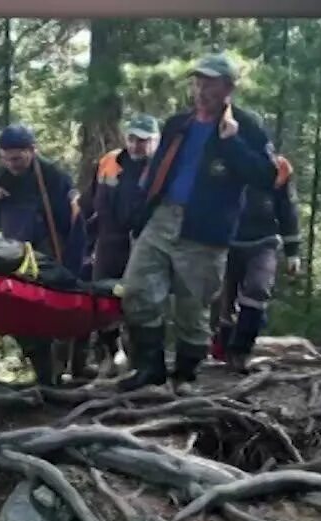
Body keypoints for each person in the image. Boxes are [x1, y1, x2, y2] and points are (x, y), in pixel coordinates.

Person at [116, 52, 279, 393]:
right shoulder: (179, 124)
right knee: (137, 290)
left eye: (211, 83)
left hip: (205, 230)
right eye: (198, 81)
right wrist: (140, 214)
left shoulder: (245, 127)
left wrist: (231, 143)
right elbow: (155, 173)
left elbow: (267, 176)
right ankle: (151, 369)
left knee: (192, 306)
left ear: (228, 88)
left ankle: (186, 376)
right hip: (163, 219)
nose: (202, 89)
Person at [0, 124, 82, 385]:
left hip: (47, 254)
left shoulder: (53, 176)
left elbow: (71, 221)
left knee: (53, 309)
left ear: (32, 151)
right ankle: (43, 373)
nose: (11, 163)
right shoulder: (0, 175)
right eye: (6, 157)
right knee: (21, 313)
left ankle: (63, 370)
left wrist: (72, 260)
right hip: (12, 254)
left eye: (17, 157)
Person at [80, 114, 160, 377]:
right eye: (133, 139)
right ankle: (109, 354)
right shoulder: (108, 162)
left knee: (140, 300)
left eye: (144, 141)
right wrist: (87, 243)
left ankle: (139, 360)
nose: (137, 145)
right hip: (108, 242)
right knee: (103, 298)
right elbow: (90, 205)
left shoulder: (162, 168)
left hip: (145, 243)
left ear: (155, 141)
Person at [210, 154, 302, 372]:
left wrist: (293, 252)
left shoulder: (278, 167)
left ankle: (241, 350)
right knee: (224, 298)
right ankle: (223, 347)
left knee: (258, 289)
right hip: (225, 241)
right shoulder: (222, 159)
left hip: (264, 241)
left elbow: (288, 209)